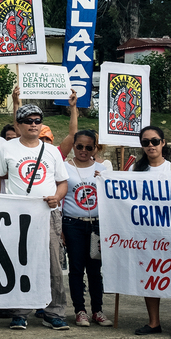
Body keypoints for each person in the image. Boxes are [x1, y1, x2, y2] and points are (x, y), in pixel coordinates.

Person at [0, 104, 70, 331]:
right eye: (28, 121)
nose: (34, 124)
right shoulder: (7, 148)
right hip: (18, 215)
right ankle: (20, 312)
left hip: (48, 214)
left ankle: (54, 311)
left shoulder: (52, 151)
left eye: (38, 120)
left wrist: (56, 197)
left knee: (53, 263)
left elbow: (62, 182)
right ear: (18, 124)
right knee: (19, 262)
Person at [129, 126, 171, 339]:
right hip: (146, 234)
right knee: (150, 275)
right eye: (146, 142)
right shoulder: (135, 171)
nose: (150, 146)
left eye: (155, 141)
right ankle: (154, 322)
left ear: (163, 143)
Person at [62, 129, 113, 328]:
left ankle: (98, 310)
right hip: (72, 222)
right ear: (73, 146)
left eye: (88, 147)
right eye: (79, 146)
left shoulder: (103, 169)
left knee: (95, 269)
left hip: (97, 224)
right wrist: (60, 229)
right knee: (76, 268)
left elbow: (113, 198)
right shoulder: (65, 168)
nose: (83, 151)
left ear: (95, 148)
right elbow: (60, 198)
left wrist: (107, 180)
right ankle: (79, 310)